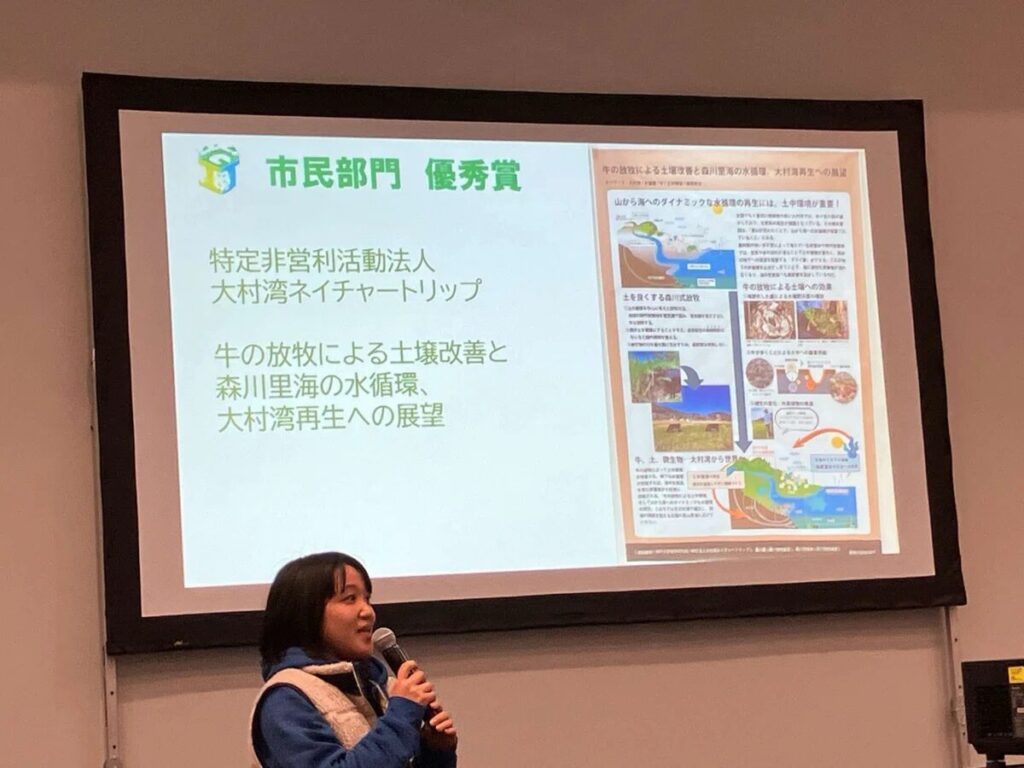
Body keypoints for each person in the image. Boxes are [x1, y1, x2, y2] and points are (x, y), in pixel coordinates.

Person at [250, 552, 458, 767]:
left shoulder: (380, 686)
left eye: (367, 599)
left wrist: (434, 751)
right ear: (305, 612)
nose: (368, 612)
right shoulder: (286, 698)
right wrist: (401, 716)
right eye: (350, 598)